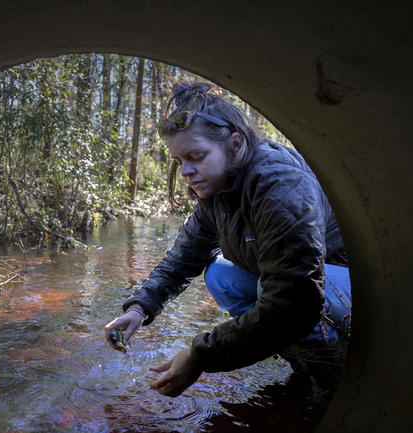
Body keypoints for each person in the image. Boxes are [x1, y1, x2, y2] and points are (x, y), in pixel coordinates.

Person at [103, 82, 352, 397]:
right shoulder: (217, 191)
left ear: (234, 143)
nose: (186, 172)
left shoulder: (280, 184)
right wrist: (140, 308)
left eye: (197, 156)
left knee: (274, 292)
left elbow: (295, 300)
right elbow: (184, 257)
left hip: (353, 289)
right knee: (221, 275)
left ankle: (333, 379)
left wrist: (201, 355)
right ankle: (301, 365)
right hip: (316, 290)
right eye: (180, 161)